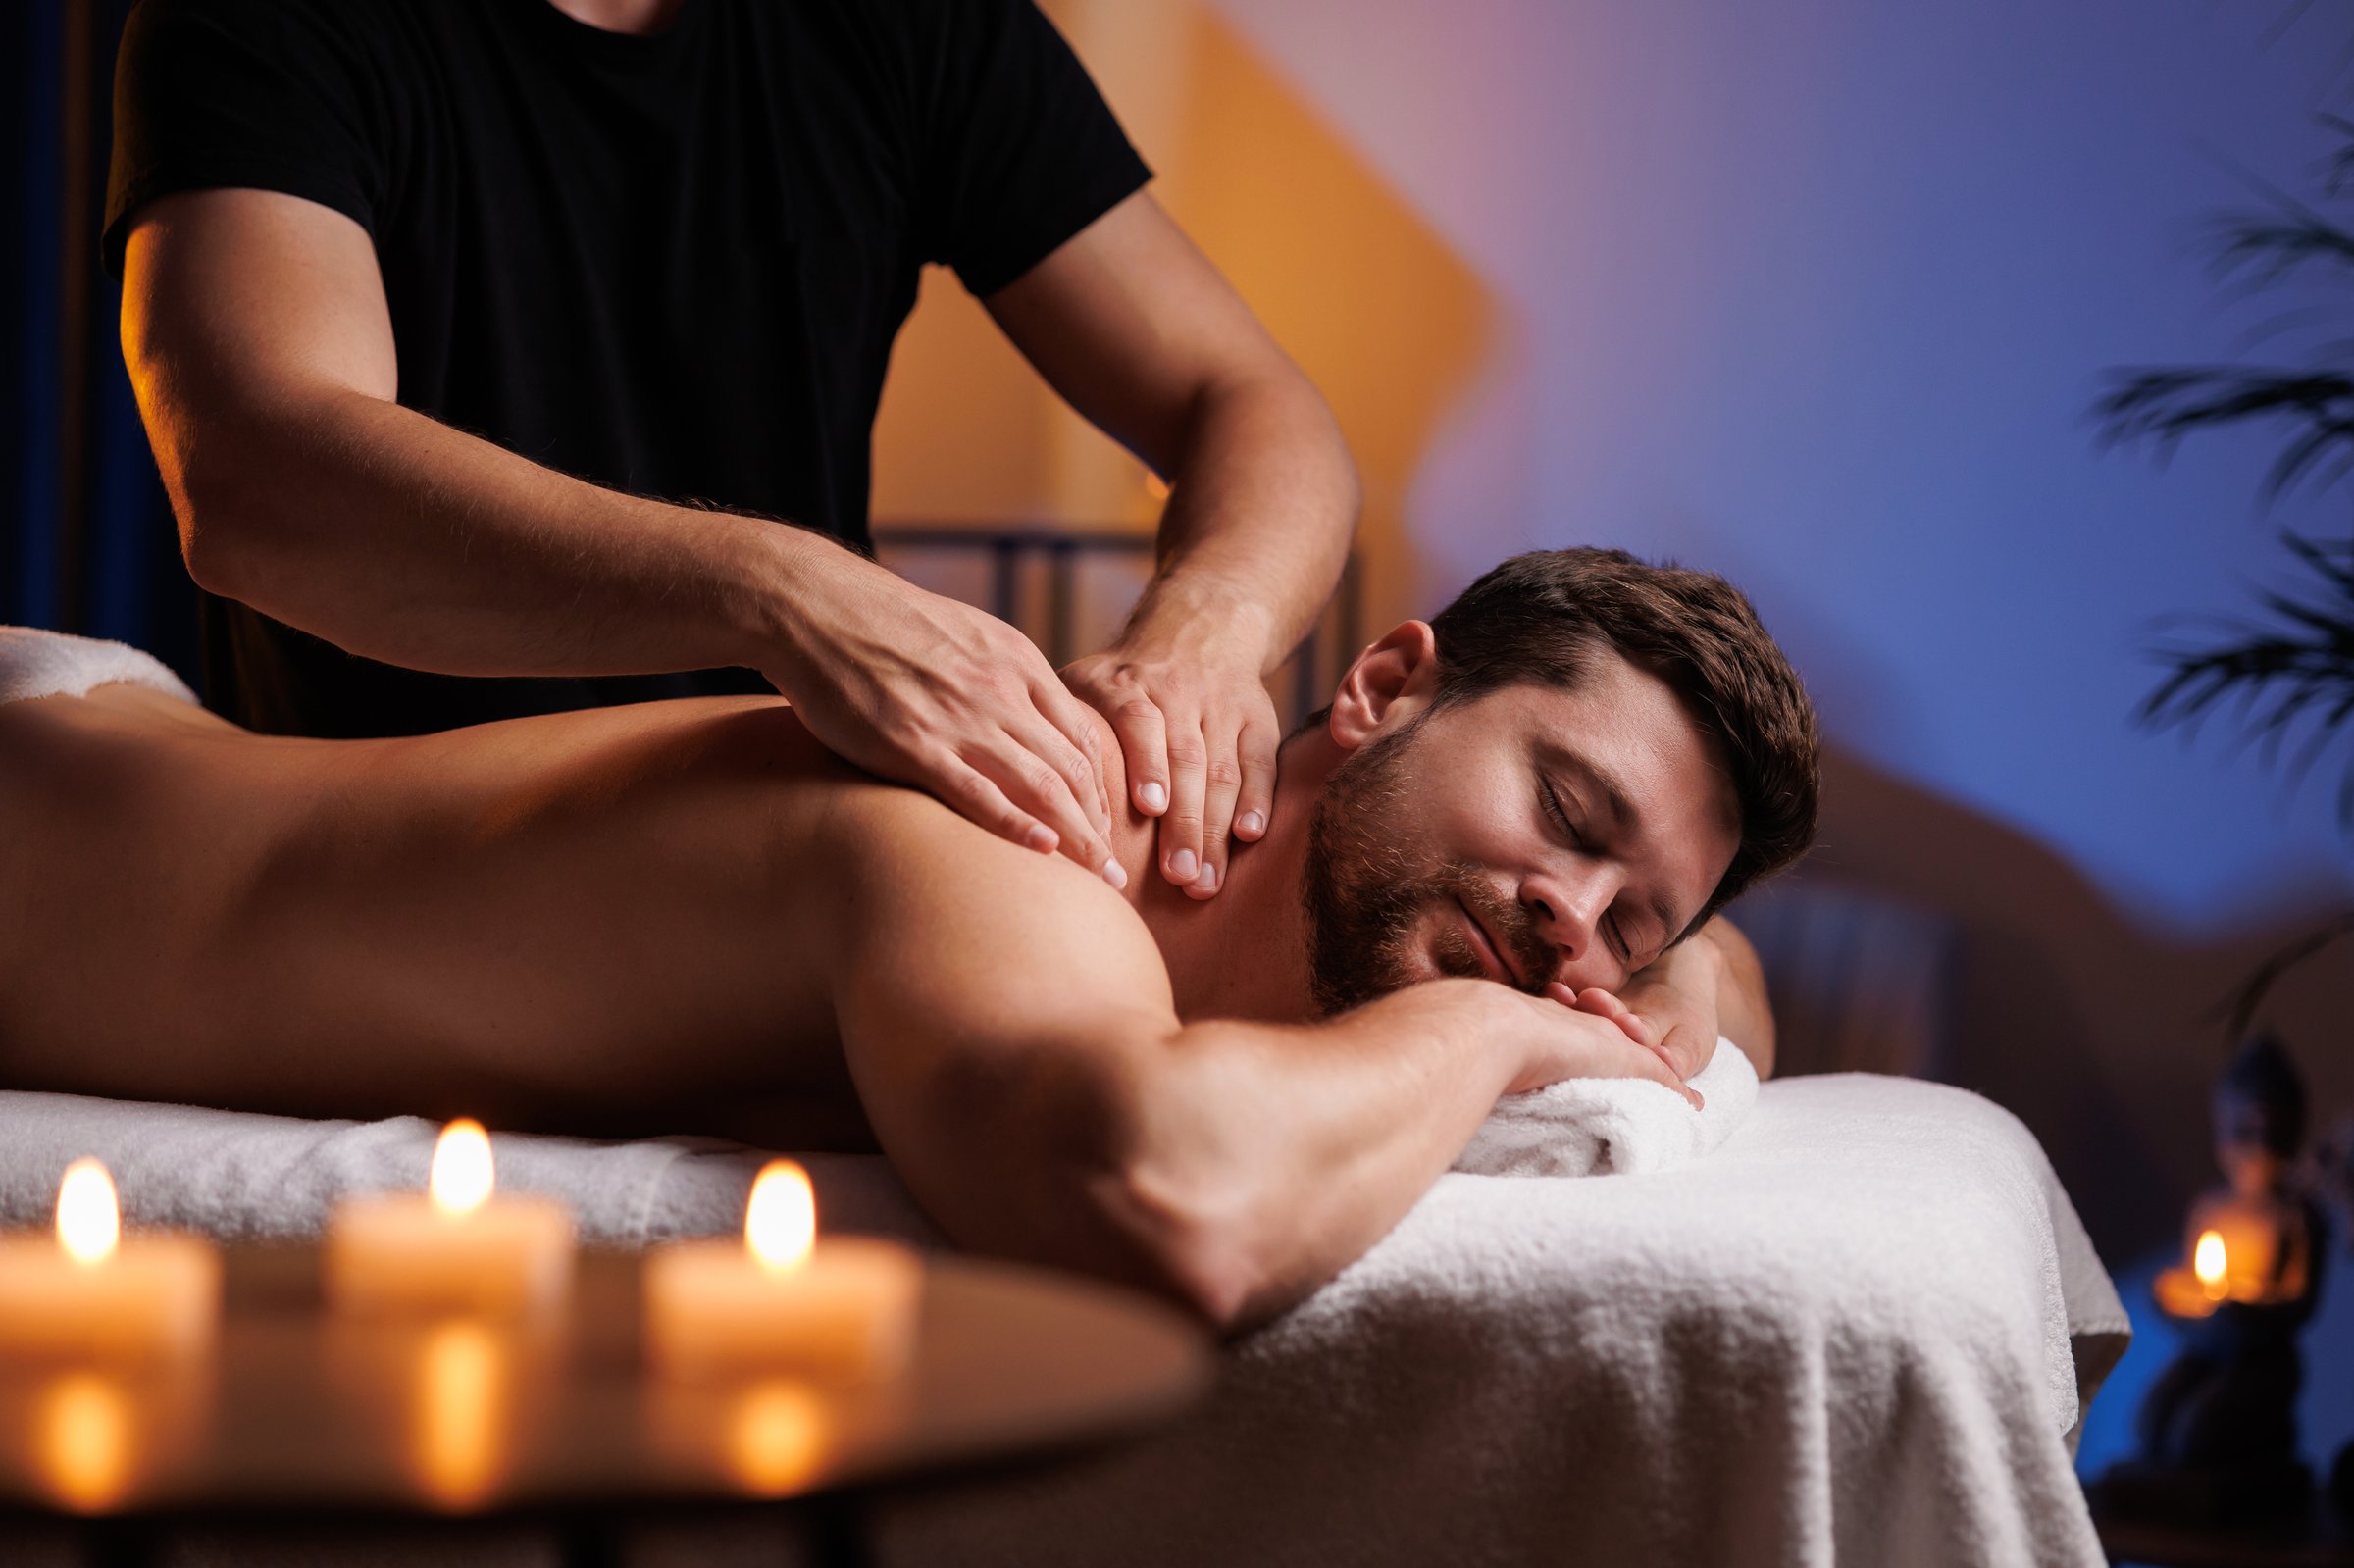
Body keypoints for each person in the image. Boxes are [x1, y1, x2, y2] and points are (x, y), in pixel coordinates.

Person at [0, 549, 1817, 1328]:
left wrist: (1665, 969)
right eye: (1566, 811)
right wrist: (1508, 1032)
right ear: (1387, 684)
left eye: (1628, 919)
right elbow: (1166, 1195)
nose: (1569, 919)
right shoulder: (1022, 826)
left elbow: (1725, 991)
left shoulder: (1271, 953)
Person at [106, 0, 1357, 902]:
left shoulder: (914, 26)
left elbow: (1248, 399)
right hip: (400, 872)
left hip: (786, 856)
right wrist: (784, 595)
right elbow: (258, 472)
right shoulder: (265, 23)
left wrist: (1204, 636)